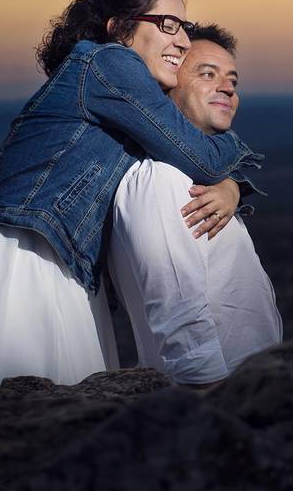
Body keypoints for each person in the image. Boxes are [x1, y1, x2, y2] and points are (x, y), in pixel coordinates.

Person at [0, 0, 262, 394]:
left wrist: (234, 186)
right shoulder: (107, 61)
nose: (182, 40)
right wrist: (234, 161)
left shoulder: (122, 104)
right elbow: (196, 154)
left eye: (185, 26)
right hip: (12, 276)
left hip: (51, 277)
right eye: (168, 24)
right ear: (118, 26)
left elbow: (183, 157)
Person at [108, 24, 282, 387]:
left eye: (233, 80)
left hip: (250, 388)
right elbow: (177, 315)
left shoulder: (196, 182)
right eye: (207, 74)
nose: (228, 87)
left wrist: (231, 185)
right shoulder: (161, 181)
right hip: (219, 394)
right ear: (164, 90)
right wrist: (210, 399)